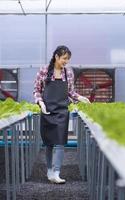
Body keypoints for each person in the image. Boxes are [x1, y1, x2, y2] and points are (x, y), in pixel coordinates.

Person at [33, 45, 90, 184]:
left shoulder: (68, 73)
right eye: (64, 58)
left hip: (62, 111)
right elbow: (36, 90)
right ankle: (49, 170)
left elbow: (70, 92)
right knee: (49, 143)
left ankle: (57, 172)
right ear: (56, 57)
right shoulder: (43, 71)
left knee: (60, 142)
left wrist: (80, 97)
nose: (66, 61)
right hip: (47, 110)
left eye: (68, 59)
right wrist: (41, 103)